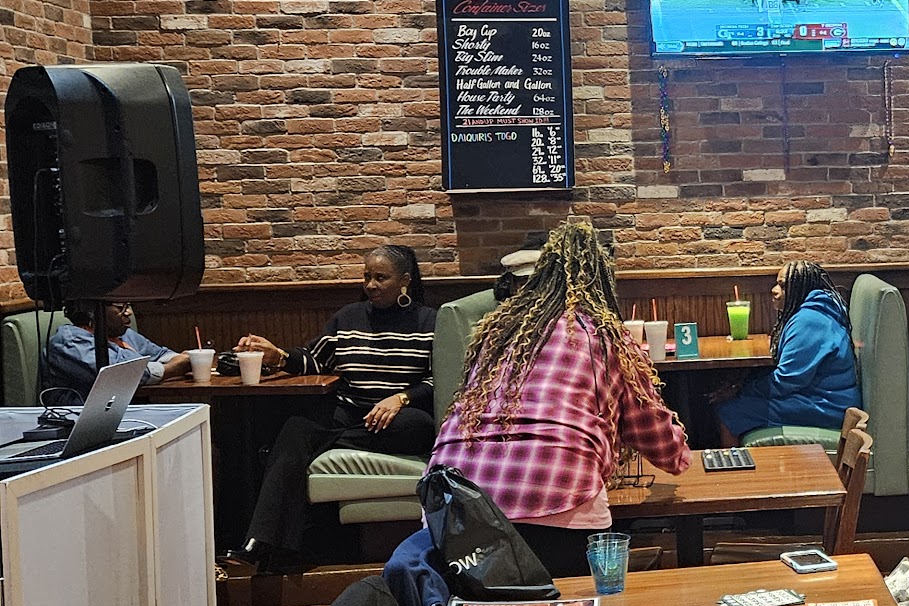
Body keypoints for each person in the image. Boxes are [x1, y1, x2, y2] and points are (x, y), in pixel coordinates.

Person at [430, 222, 691, 578]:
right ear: (602, 282)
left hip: (453, 500)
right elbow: (653, 433)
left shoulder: (496, 331)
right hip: (557, 498)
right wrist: (680, 457)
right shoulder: (602, 335)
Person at [235, 245, 438, 568]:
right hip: (352, 413)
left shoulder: (429, 321)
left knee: (419, 426)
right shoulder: (348, 317)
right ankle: (262, 542)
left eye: (381, 278)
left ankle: (328, 441)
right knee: (296, 428)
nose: (371, 285)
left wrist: (401, 398)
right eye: (367, 277)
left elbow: (438, 378)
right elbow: (316, 359)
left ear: (404, 280)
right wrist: (280, 356)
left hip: (399, 417)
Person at [710, 260, 861, 444]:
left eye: (782, 286)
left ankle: (736, 463)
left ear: (800, 288)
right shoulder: (813, 312)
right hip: (822, 398)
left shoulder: (809, 320)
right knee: (731, 403)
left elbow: (787, 381)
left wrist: (741, 390)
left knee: (729, 412)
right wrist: (743, 386)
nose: (774, 290)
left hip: (828, 406)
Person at [41, 300, 189, 398]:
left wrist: (184, 360)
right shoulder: (70, 341)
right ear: (93, 311)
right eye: (120, 307)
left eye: (128, 305)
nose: (129, 312)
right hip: (77, 422)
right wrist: (172, 369)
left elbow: (159, 354)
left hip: (126, 415)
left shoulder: (121, 334)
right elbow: (121, 374)